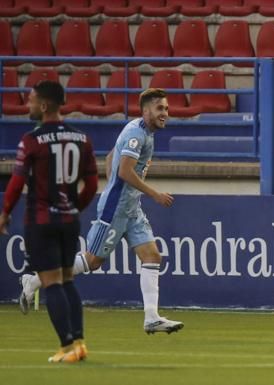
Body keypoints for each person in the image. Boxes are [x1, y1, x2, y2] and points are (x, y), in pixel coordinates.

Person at [19, 88, 184, 335]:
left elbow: (110, 157)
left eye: (167, 109)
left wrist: (117, 187)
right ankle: (34, 280)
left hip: (131, 208)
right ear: (146, 110)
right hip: (115, 209)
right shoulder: (136, 134)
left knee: (152, 256)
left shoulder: (145, 133)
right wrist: (153, 194)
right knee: (92, 261)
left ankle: (152, 318)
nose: (165, 114)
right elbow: (125, 172)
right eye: (160, 109)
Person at [0, 80, 98, 362]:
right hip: (69, 220)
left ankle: (66, 347)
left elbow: (17, 183)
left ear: (44, 105)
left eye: (30, 100)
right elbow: (91, 184)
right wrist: (73, 207)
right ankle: (79, 344)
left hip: (40, 220)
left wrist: (5, 213)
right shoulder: (82, 138)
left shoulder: (31, 140)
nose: (27, 104)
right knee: (67, 280)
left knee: (51, 282)